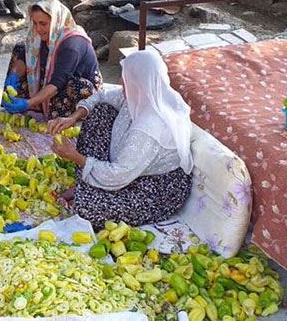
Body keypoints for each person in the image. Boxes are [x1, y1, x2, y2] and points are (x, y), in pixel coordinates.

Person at [49, 49, 194, 230]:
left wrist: (74, 156)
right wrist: (74, 117)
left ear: (139, 82)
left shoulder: (149, 127)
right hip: (129, 170)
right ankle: (87, 184)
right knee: (101, 110)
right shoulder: (142, 95)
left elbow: (118, 174)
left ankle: (86, 189)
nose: (120, 82)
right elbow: (102, 95)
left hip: (156, 187)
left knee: (87, 208)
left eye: (125, 79)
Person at [2, 0, 102, 119]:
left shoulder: (72, 44)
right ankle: (20, 103)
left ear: (55, 21)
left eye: (43, 24)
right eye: (35, 23)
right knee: (20, 48)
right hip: (51, 79)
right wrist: (15, 74)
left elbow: (56, 84)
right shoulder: (40, 35)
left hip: (70, 86)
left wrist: (28, 103)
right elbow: (25, 55)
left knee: (77, 86)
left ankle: (50, 111)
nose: (38, 29)